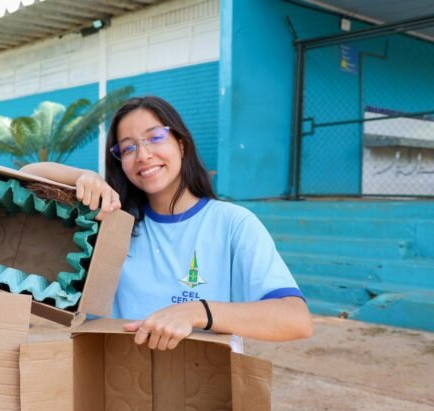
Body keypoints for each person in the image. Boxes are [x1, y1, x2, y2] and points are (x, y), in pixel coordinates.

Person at [22, 96, 313, 351]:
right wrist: (82, 177)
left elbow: (296, 319)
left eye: (155, 137)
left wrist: (197, 312)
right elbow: (25, 174)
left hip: (201, 390)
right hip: (112, 386)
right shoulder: (110, 221)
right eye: (128, 148)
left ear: (181, 144)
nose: (144, 155)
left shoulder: (232, 223)